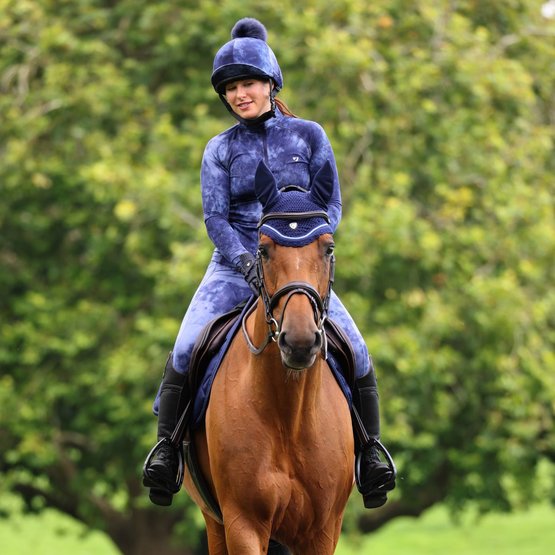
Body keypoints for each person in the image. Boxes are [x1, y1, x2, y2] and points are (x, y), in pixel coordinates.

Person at [143, 17, 396, 509]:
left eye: (249, 84)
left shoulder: (309, 135)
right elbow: (216, 219)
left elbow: (333, 207)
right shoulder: (219, 149)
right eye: (232, 88)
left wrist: (303, 249)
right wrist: (245, 262)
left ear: (270, 84)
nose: (240, 94)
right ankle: (167, 452)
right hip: (234, 265)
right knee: (184, 348)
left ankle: (371, 454)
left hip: (298, 266)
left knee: (358, 352)